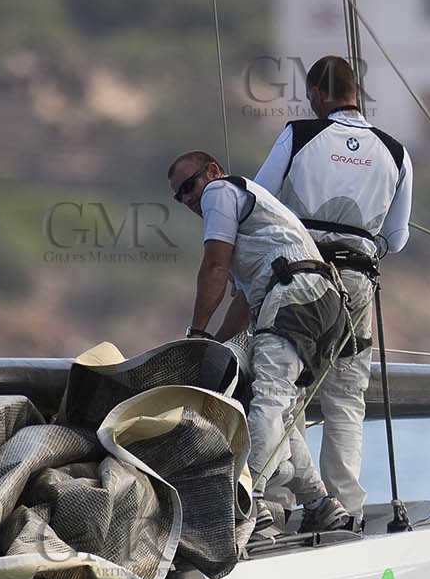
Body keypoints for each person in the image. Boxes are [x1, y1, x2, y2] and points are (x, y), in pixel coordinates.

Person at [254, 55, 412, 532]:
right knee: (346, 396)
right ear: (357, 93)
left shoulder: (299, 135)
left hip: (304, 276)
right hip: (359, 282)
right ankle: (346, 507)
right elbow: (398, 238)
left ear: (318, 97)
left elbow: (260, 199)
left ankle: (281, 502)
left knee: (288, 389)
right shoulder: (396, 151)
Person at [168, 149, 354, 540]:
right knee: (280, 411)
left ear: (213, 171)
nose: (188, 200)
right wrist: (215, 344)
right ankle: (322, 505)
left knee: (268, 399)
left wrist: (196, 335)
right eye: (179, 197)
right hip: (323, 301)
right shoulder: (257, 223)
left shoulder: (221, 191)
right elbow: (243, 305)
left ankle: (246, 504)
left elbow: (215, 267)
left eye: (189, 186)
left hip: (293, 295)